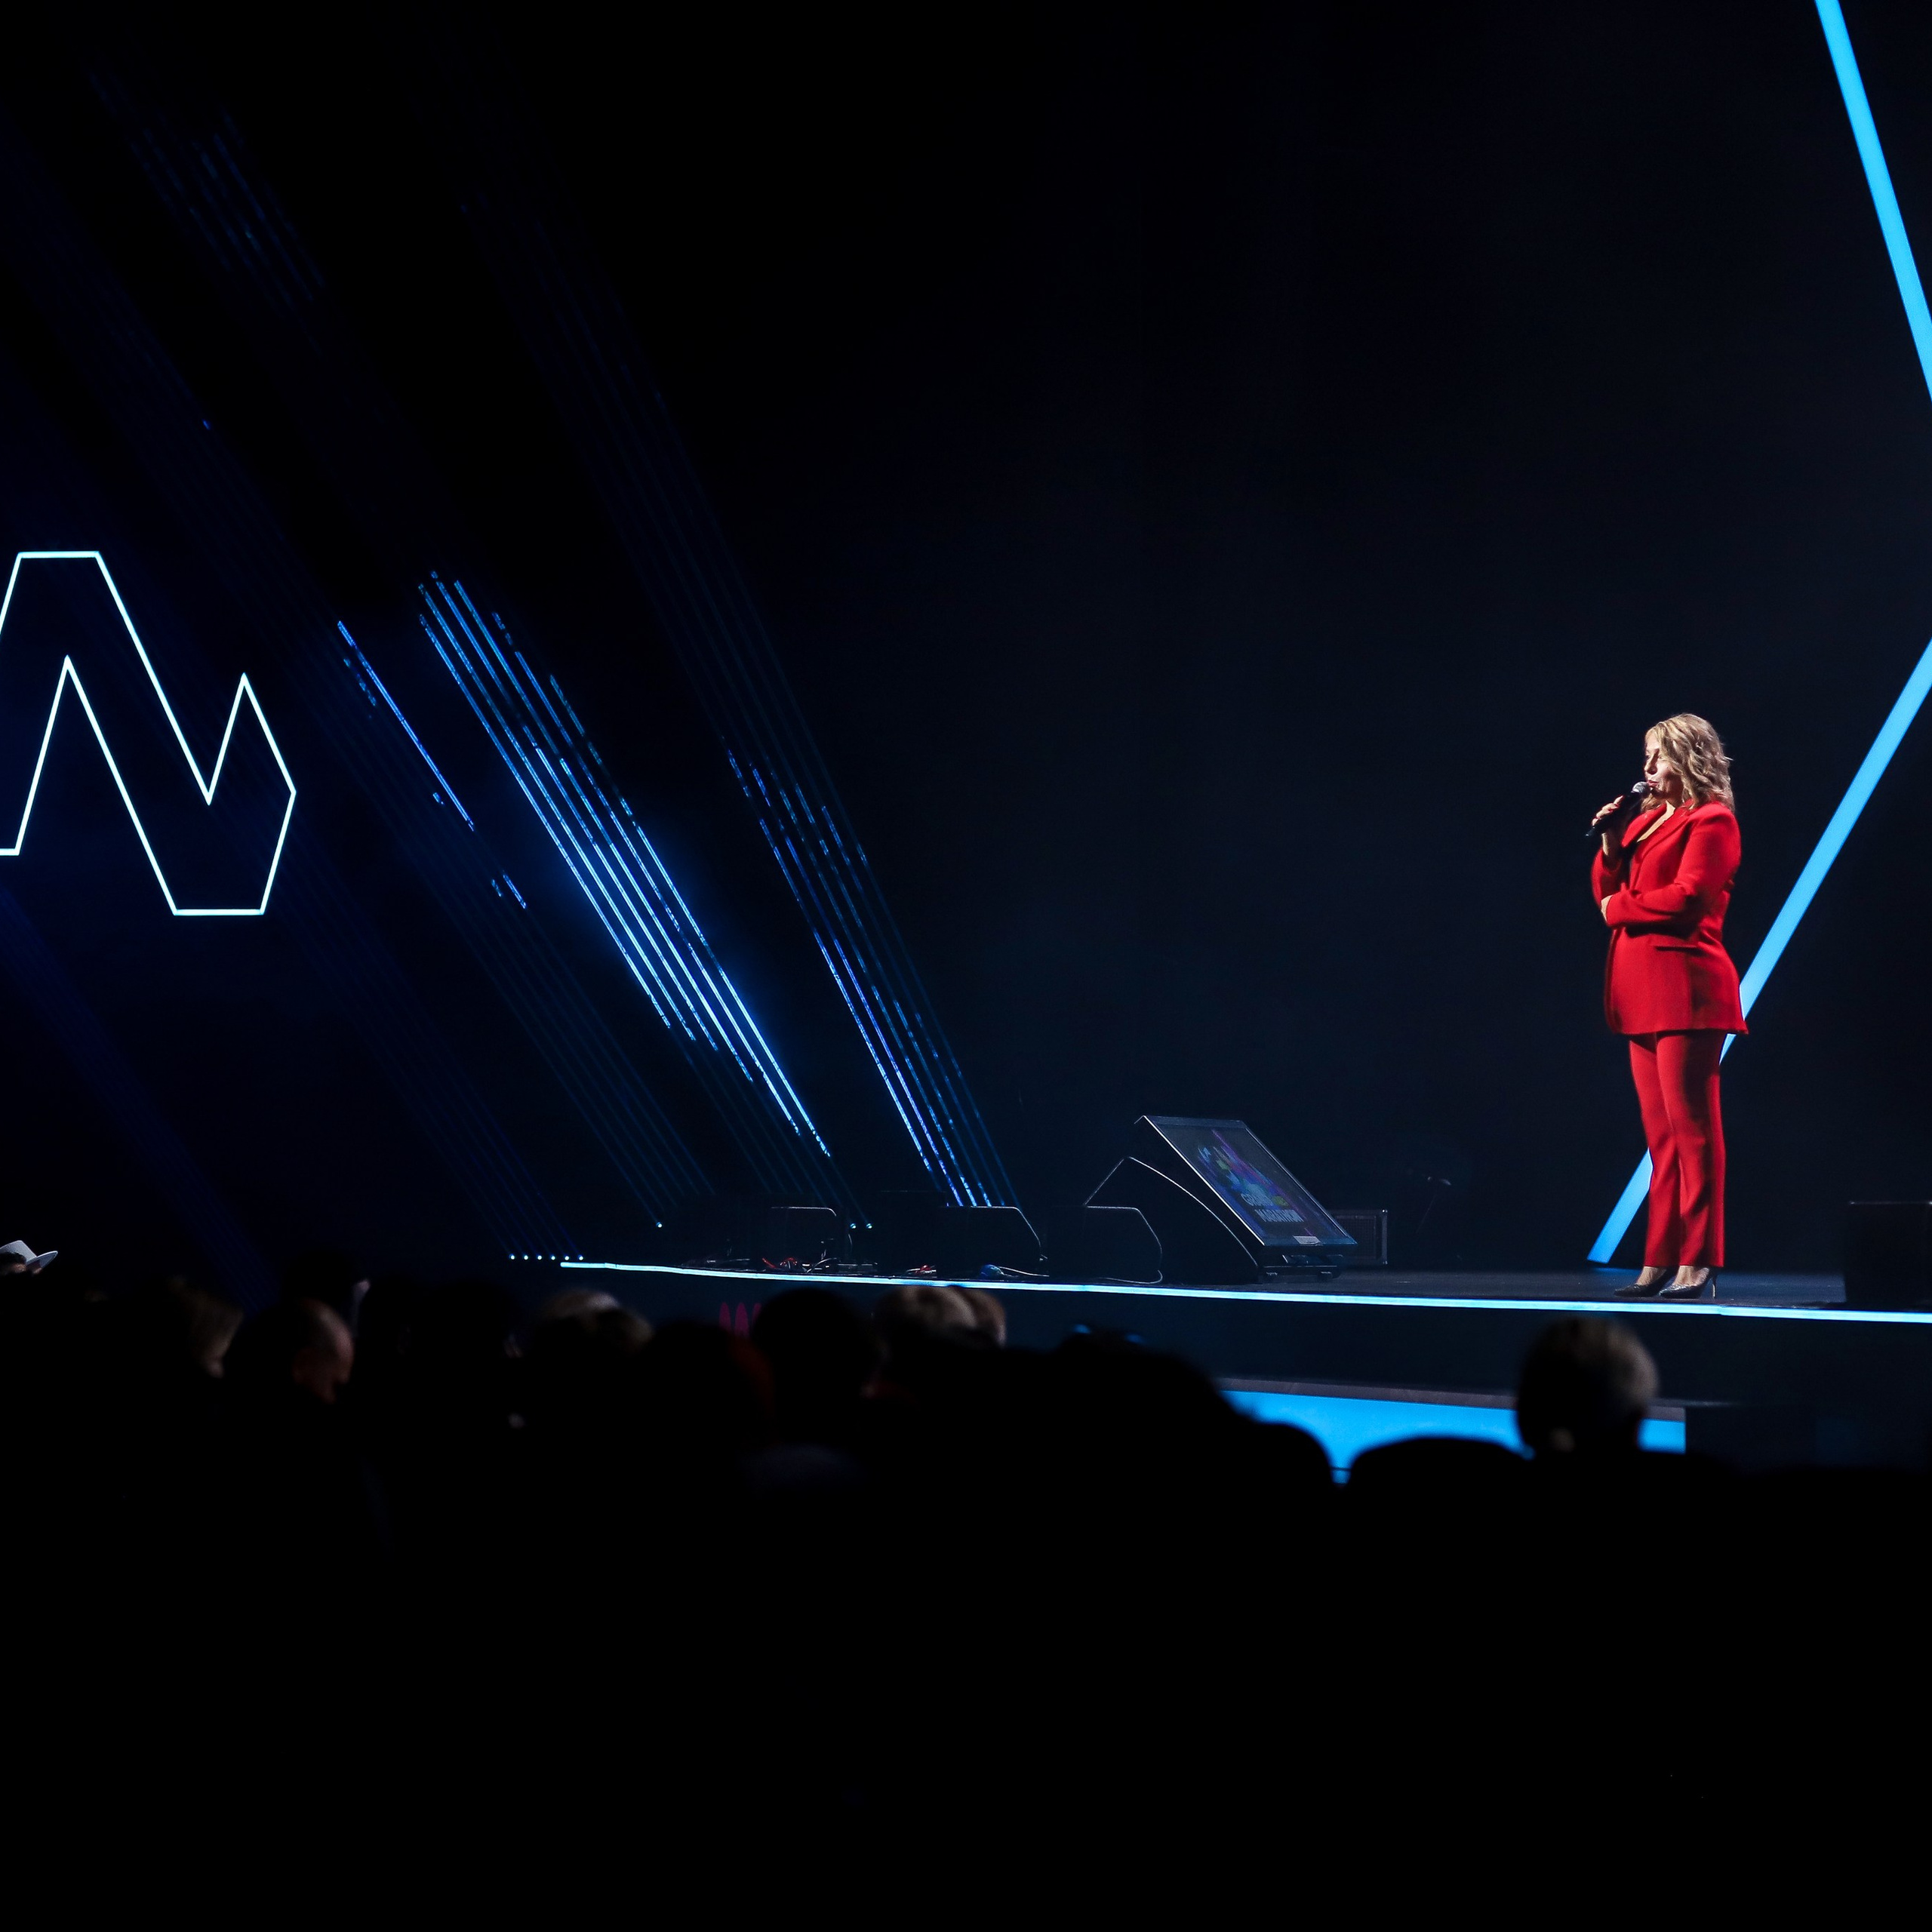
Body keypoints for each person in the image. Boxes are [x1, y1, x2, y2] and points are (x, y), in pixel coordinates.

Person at [1589, 714, 1743, 1299]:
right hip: (1639, 990)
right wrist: (1609, 840)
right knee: (1661, 1139)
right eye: (1646, 757)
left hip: (1686, 987)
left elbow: (1686, 898)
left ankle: (1698, 1261)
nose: (1648, 770)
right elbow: (1606, 887)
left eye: (1659, 757)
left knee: (1694, 1132)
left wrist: (1618, 908)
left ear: (1689, 759)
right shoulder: (1648, 822)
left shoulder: (1714, 821)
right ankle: (1658, 1259)